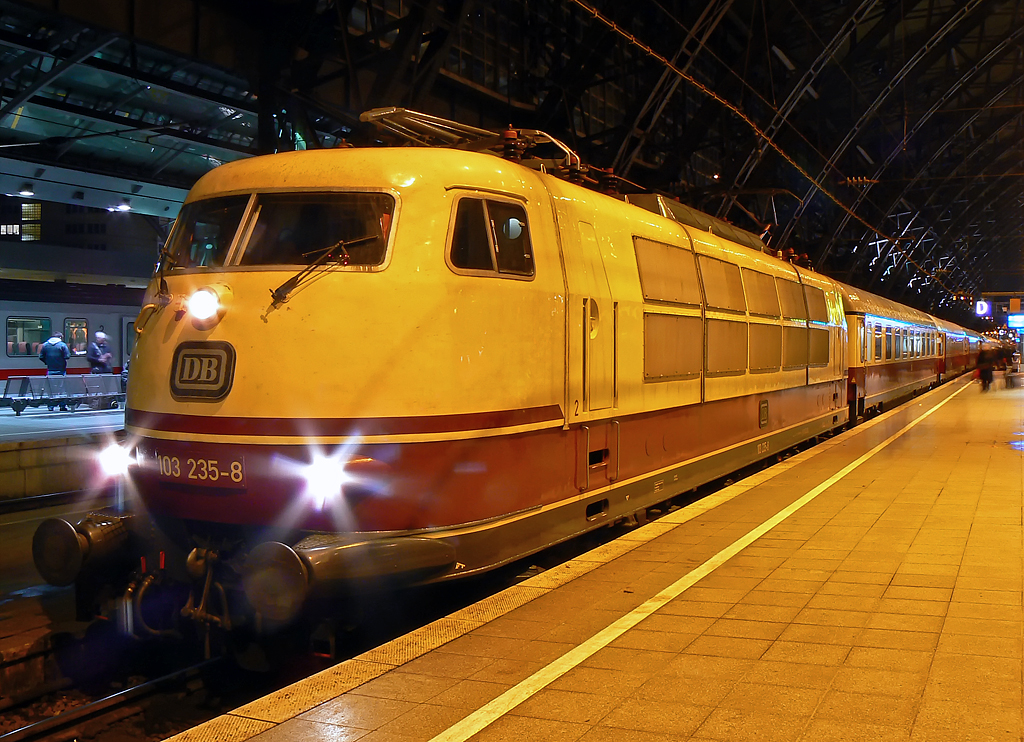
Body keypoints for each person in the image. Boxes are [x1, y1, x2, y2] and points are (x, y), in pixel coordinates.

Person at [38, 331, 71, 411]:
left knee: (51, 388)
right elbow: (67, 356)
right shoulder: (62, 345)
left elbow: (41, 356)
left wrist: (47, 362)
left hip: (50, 369)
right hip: (61, 370)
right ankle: (62, 406)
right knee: (62, 389)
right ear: (60, 337)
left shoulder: (45, 345)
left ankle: (50, 406)